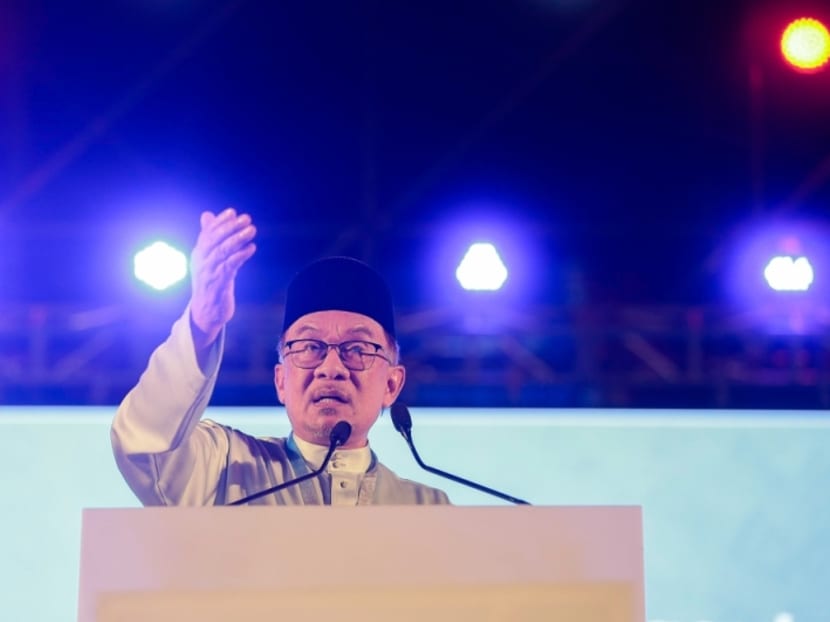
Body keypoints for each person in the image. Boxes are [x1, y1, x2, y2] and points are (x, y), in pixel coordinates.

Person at [111, 207, 450, 506]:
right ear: (281, 381)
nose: (331, 369)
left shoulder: (425, 509)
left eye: (357, 350)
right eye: (310, 347)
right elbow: (143, 441)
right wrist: (202, 323)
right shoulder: (225, 470)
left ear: (392, 384)